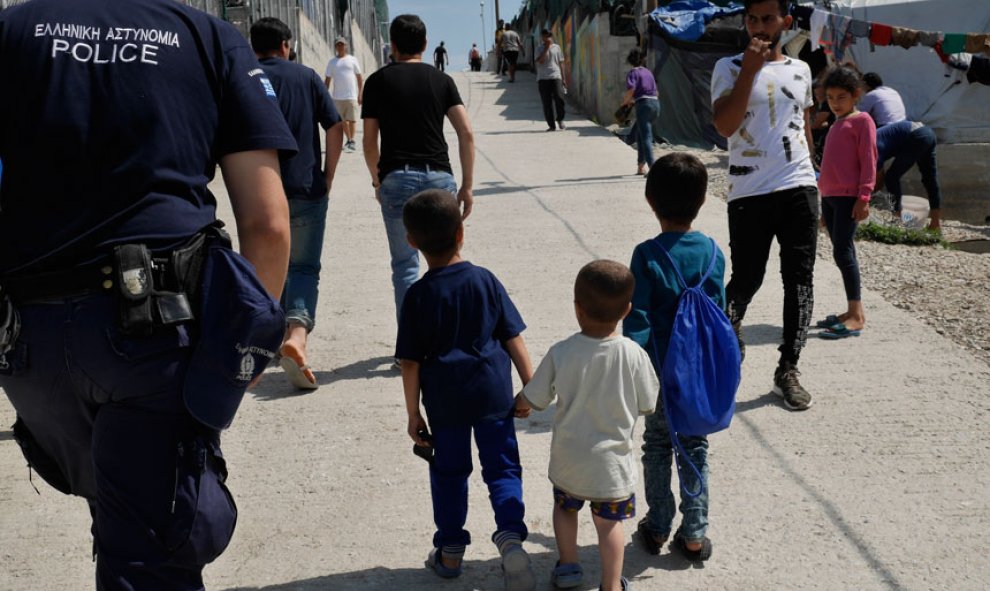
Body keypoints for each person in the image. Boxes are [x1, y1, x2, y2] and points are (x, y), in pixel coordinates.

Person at [0, 0, 296, 588]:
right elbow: (268, 224)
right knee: (150, 549)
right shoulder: (206, 37)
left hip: (27, 338)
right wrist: (247, 345)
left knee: (120, 514)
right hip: (154, 334)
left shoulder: (12, 29)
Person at [396, 190, 537, 591]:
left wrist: (413, 414)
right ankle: (511, 541)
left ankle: (452, 551)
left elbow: (410, 361)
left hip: (445, 402)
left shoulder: (418, 295)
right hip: (492, 394)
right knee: (503, 469)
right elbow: (513, 337)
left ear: (411, 241)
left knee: (450, 473)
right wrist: (531, 387)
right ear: (461, 233)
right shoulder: (484, 280)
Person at [519, 260, 659, 591]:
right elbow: (648, 403)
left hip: (570, 462)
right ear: (626, 310)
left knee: (565, 511)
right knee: (610, 524)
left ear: (577, 308)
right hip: (612, 467)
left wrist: (517, 405)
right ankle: (611, 585)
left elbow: (534, 396)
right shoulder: (634, 354)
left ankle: (568, 568)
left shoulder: (562, 352)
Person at [711, 0, 819, 411]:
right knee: (747, 278)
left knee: (799, 279)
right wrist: (750, 72)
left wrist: (816, 177)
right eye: (752, 19)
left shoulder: (801, 69)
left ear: (785, 23)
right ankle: (724, 340)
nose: (759, 27)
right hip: (749, 190)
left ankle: (788, 368)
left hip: (799, 186)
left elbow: (802, 124)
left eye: (768, 19)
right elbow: (724, 125)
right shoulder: (729, 67)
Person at [623, 153, 725, 564]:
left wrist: (632, 371)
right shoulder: (714, 252)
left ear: (651, 201)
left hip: (661, 371)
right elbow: (717, 309)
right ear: (702, 201)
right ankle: (696, 531)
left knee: (658, 444)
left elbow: (639, 321)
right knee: (695, 444)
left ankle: (659, 523)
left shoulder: (646, 255)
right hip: (700, 370)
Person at [362, 14, 475, 330]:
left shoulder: (377, 82)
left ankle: (410, 348)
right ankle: (453, 334)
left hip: (396, 178)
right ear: (425, 45)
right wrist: (466, 186)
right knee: (448, 262)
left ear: (393, 45)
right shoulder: (442, 81)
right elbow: (466, 132)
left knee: (404, 266)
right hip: (439, 178)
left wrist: (378, 179)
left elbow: (370, 143)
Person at [252, 18, 345, 389]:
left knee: (268, 264)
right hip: (306, 185)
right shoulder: (306, 77)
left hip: (260, 191)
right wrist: (328, 175)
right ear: (287, 45)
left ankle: (272, 337)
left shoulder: (246, 76)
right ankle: (296, 335)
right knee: (304, 266)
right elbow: (335, 127)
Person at [816, 67, 877, 339]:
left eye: (841, 97)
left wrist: (864, 197)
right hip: (830, 197)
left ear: (855, 95)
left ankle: (856, 314)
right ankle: (851, 310)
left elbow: (868, 161)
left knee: (843, 252)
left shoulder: (862, 121)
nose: (835, 102)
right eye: (830, 97)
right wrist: (823, 204)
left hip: (848, 197)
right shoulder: (836, 124)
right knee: (841, 251)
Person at [875, 120, 943, 231]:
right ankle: (935, 223)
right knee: (930, 178)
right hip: (927, 133)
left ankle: (897, 220)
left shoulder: (871, 148)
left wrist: (866, 199)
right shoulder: (871, 139)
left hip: (916, 135)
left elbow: (879, 180)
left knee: (891, 177)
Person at [621, 48, 660, 175]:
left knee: (646, 138)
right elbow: (656, 92)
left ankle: (653, 169)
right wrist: (634, 101)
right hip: (655, 105)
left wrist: (625, 102)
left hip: (644, 106)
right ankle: (640, 167)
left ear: (630, 62)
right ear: (642, 60)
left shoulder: (633, 73)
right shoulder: (648, 72)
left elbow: (631, 90)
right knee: (640, 135)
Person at [324, 37, 364, 153]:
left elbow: (360, 78)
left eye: (342, 45)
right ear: (335, 47)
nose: (340, 47)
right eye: (338, 45)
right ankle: (350, 140)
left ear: (346, 46)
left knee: (352, 120)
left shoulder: (352, 60)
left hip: (351, 95)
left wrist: (360, 93)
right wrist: (324, 95)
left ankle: (351, 140)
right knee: (342, 121)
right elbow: (327, 80)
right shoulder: (332, 62)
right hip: (337, 97)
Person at [535, 29, 567, 132]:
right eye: (546, 36)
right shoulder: (539, 48)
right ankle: (551, 125)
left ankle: (560, 119)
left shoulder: (557, 48)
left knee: (559, 99)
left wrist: (563, 77)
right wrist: (547, 47)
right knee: (547, 103)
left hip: (556, 76)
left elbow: (561, 62)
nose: (548, 37)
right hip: (543, 78)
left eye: (549, 35)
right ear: (542, 37)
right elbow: (540, 61)